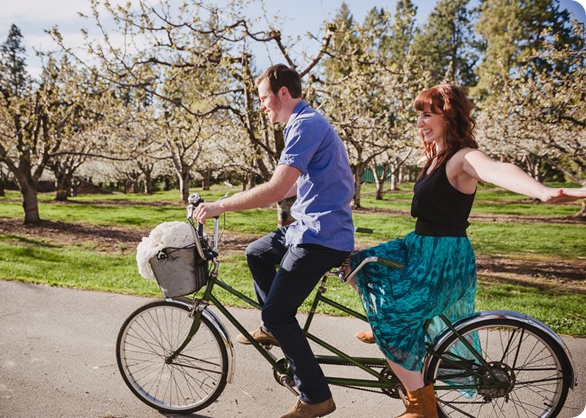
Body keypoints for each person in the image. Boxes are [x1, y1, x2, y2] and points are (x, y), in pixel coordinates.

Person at [346, 83, 586, 418]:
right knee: (356, 263)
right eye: (418, 116)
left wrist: (542, 191)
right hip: (418, 246)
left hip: (441, 260)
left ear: (449, 116)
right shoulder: (435, 157)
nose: (420, 123)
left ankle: (419, 406)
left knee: (393, 317)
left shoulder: (463, 158)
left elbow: (494, 168)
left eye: (427, 115)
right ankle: (389, 323)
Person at [193, 64, 355, 418]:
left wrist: (222, 205)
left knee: (278, 311)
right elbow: (294, 184)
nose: (261, 106)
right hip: (309, 227)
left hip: (321, 237)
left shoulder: (306, 124)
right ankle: (275, 328)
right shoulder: (304, 123)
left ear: (283, 94)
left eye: (264, 98)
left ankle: (315, 397)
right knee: (257, 252)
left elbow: (277, 190)